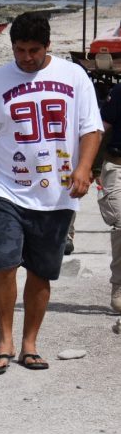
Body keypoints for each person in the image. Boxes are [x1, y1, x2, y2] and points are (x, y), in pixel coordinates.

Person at [0, 12, 102, 374]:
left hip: (57, 193)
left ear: (47, 46)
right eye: (19, 50)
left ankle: (29, 344)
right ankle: (4, 341)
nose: (26, 58)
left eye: (34, 50)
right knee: (5, 262)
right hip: (7, 189)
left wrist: (83, 169)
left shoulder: (74, 76)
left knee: (41, 271)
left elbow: (92, 129)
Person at [96, 82, 121, 313]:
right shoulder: (119, 91)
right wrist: (91, 168)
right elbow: (101, 129)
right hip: (117, 165)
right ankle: (119, 286)